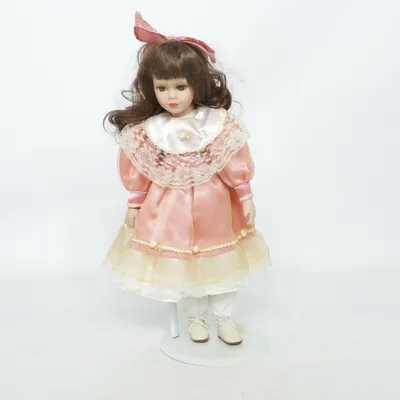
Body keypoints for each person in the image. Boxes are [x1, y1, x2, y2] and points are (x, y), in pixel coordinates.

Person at [103, 12, 272, 345]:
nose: (172, 96)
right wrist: (135, 204)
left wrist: (245, 194)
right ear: (151, 88)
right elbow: (140, 170)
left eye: (181, 86)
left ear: (197, 84)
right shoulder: (149, 130)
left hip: (214, 205)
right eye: (162, 87)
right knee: (186, 266)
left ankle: (225, 316)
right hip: (171, 210)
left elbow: (233, 159)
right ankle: (196, 316)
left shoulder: (215, 123)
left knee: (219, 262)